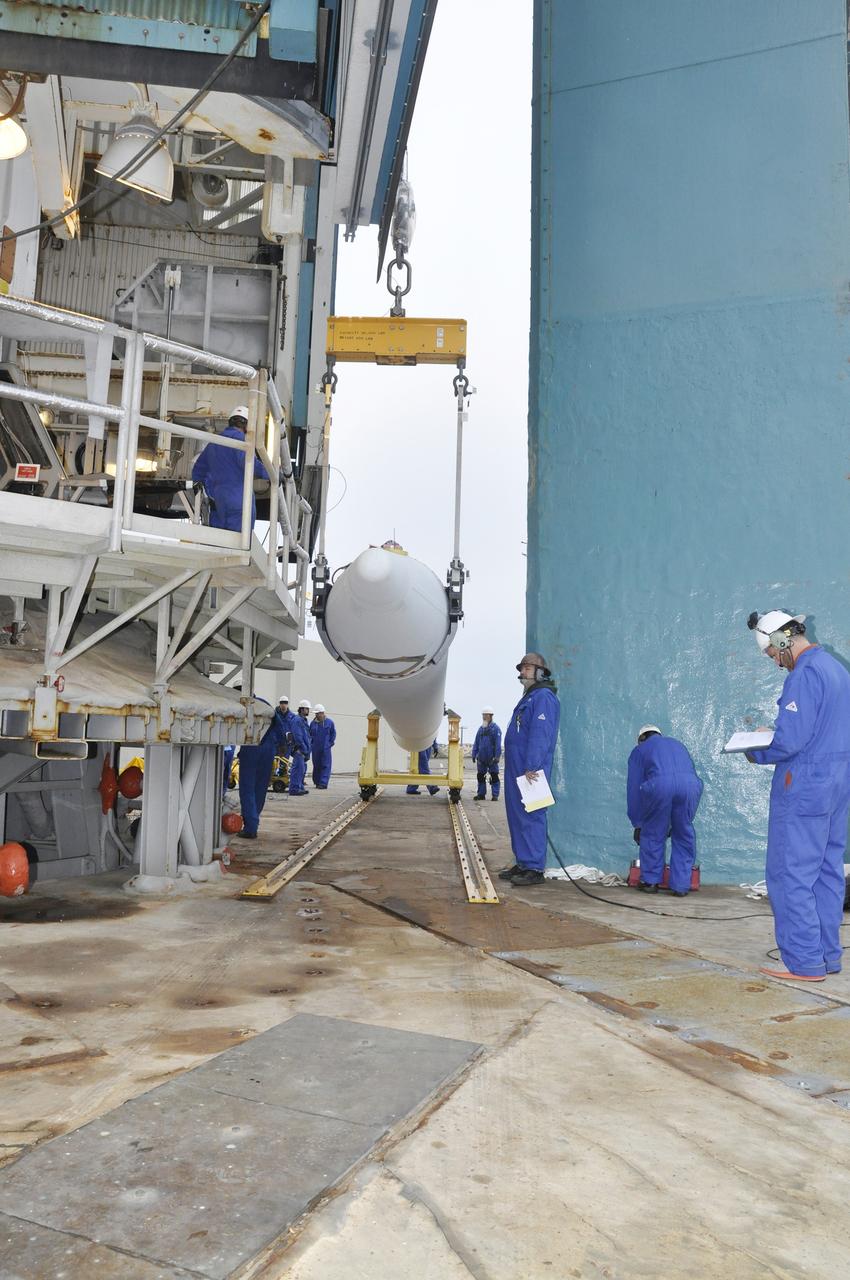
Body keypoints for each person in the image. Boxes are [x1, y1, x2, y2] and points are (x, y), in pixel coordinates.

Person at [744, 609, 850, 982]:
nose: (776, 663)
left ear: (782, 641)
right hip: (838, 786)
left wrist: (755, 748)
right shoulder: (838, 670)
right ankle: (826, 957)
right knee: (826, 872)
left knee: (790, 873)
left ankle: (804, 962)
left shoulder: (804, 675)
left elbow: (790, 740)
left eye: (773, 655)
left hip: (805, 786)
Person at [499, 653, 560, 886]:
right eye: (522, 668)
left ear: (540, 672)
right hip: (518, 768)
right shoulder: (529, 697)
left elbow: (540, 735)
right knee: (517, 815)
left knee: (532, 815)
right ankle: (523, 861)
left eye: (527, 668)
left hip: (530, 770)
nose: (522, 672)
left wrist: (532, 765)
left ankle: (534, 867)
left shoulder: (543, 697)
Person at [626, 725, 703, 895]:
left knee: (653, 832)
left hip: (660, 786)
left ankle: (650, 882)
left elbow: (634, 788)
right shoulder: (677, 744)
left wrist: (638, 822)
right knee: (683, 832)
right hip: (690, 786)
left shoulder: (640, 750)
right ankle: (681, 886)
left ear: (641, 739)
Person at [191, 405, 268, 532]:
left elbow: (197, 473)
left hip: (217, 503)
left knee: (218, 544)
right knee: (239, 546)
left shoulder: (213, 443)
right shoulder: (241, 441)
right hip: (238, 504)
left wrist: (209, 492)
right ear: (247, 426)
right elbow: (248, 463)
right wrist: (272, 474)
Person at [237, 700, 288, 839]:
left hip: (251, 746)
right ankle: (253, 819)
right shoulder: (264, 704)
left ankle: (250, 827)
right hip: (268, 748)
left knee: (247, 788)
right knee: (260, 786)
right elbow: (278, 723)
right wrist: (283, 744)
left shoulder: (239, 705)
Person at [472, 707, 502, 801]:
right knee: (480, 776)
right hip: (481, 758)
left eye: (486, 715)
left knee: (494, 776)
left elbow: (498, 744)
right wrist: (474, 754)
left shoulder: (495, 729)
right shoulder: (481, 729)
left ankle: (495, 795)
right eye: (483, 715)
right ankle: (481, 794)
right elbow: (476, 742)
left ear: (491, 716)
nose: (484, 717)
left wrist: (497, 756)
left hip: (492, 758)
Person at [288, 699, 313, 796]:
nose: (308, 711)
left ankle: (299, 787)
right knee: (297, 769)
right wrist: (303, 748)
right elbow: (298, 736)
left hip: (303, 749)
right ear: (302, 709)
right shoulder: (297, 720)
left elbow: (306, 736)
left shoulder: (302, 720)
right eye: (307, 709)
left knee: (301, 769)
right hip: (299, 749)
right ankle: (294, 788)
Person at [310, 704, 336, 789]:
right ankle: (317, 782)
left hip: (325, 748)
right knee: (316, 765)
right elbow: (310, 735)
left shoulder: (329, 722)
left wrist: (330, 743)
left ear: (323, 713)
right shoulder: (313, 724)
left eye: (319, 713)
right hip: (315, 748)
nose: (317, 715)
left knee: (326, 765)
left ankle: (323, 783)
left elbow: (333, 733)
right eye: (316, 713)